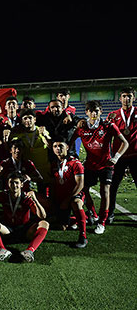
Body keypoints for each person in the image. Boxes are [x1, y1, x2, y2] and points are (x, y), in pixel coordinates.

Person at [72, 100, 129, 234]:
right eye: (91, 111)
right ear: (86, 112)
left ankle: (102, 222)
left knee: (105, 192)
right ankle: (93, 213)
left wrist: (115, 158)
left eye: (96, 110)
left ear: (101, 112)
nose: (94, 113)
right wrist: (73, 157)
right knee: (83, 189)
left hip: (106, 165)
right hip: (90, 165)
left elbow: (124, 143)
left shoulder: (108, 126)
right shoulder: (81, 127)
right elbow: (70, 141)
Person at [0, 172, 49, 263]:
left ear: (22, 184)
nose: (14, 185)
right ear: (8, 184)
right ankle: (2, 250)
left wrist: (35, 199)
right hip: (8, 230)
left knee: (44, 223)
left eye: (16, 183)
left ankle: (29, 251)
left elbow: (43, 216)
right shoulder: (3, 195)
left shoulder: (26, 197)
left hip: (25, 230)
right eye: (11, 183)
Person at [50, 137, 87, 248]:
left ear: (67, 147)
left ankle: (83, 236)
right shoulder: (53, 164)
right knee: (61, 226)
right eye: (55, 146)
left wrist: (67, 199)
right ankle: (80, 218)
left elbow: (80, 185)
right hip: (60, 197)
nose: (58, 149)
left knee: (75, 203)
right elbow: (53, 184)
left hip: (74, 194)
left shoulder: (75, 163)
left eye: (61, 146)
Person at [107, 87, 137, 224]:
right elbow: (106, 135)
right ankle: (110, 213)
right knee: (113, 186)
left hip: (136, 155)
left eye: (129, 96)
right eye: (124, 96)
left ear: (134, 98)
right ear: (120, 99)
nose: (127, 98)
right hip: (119, 156)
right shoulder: (113, 114)